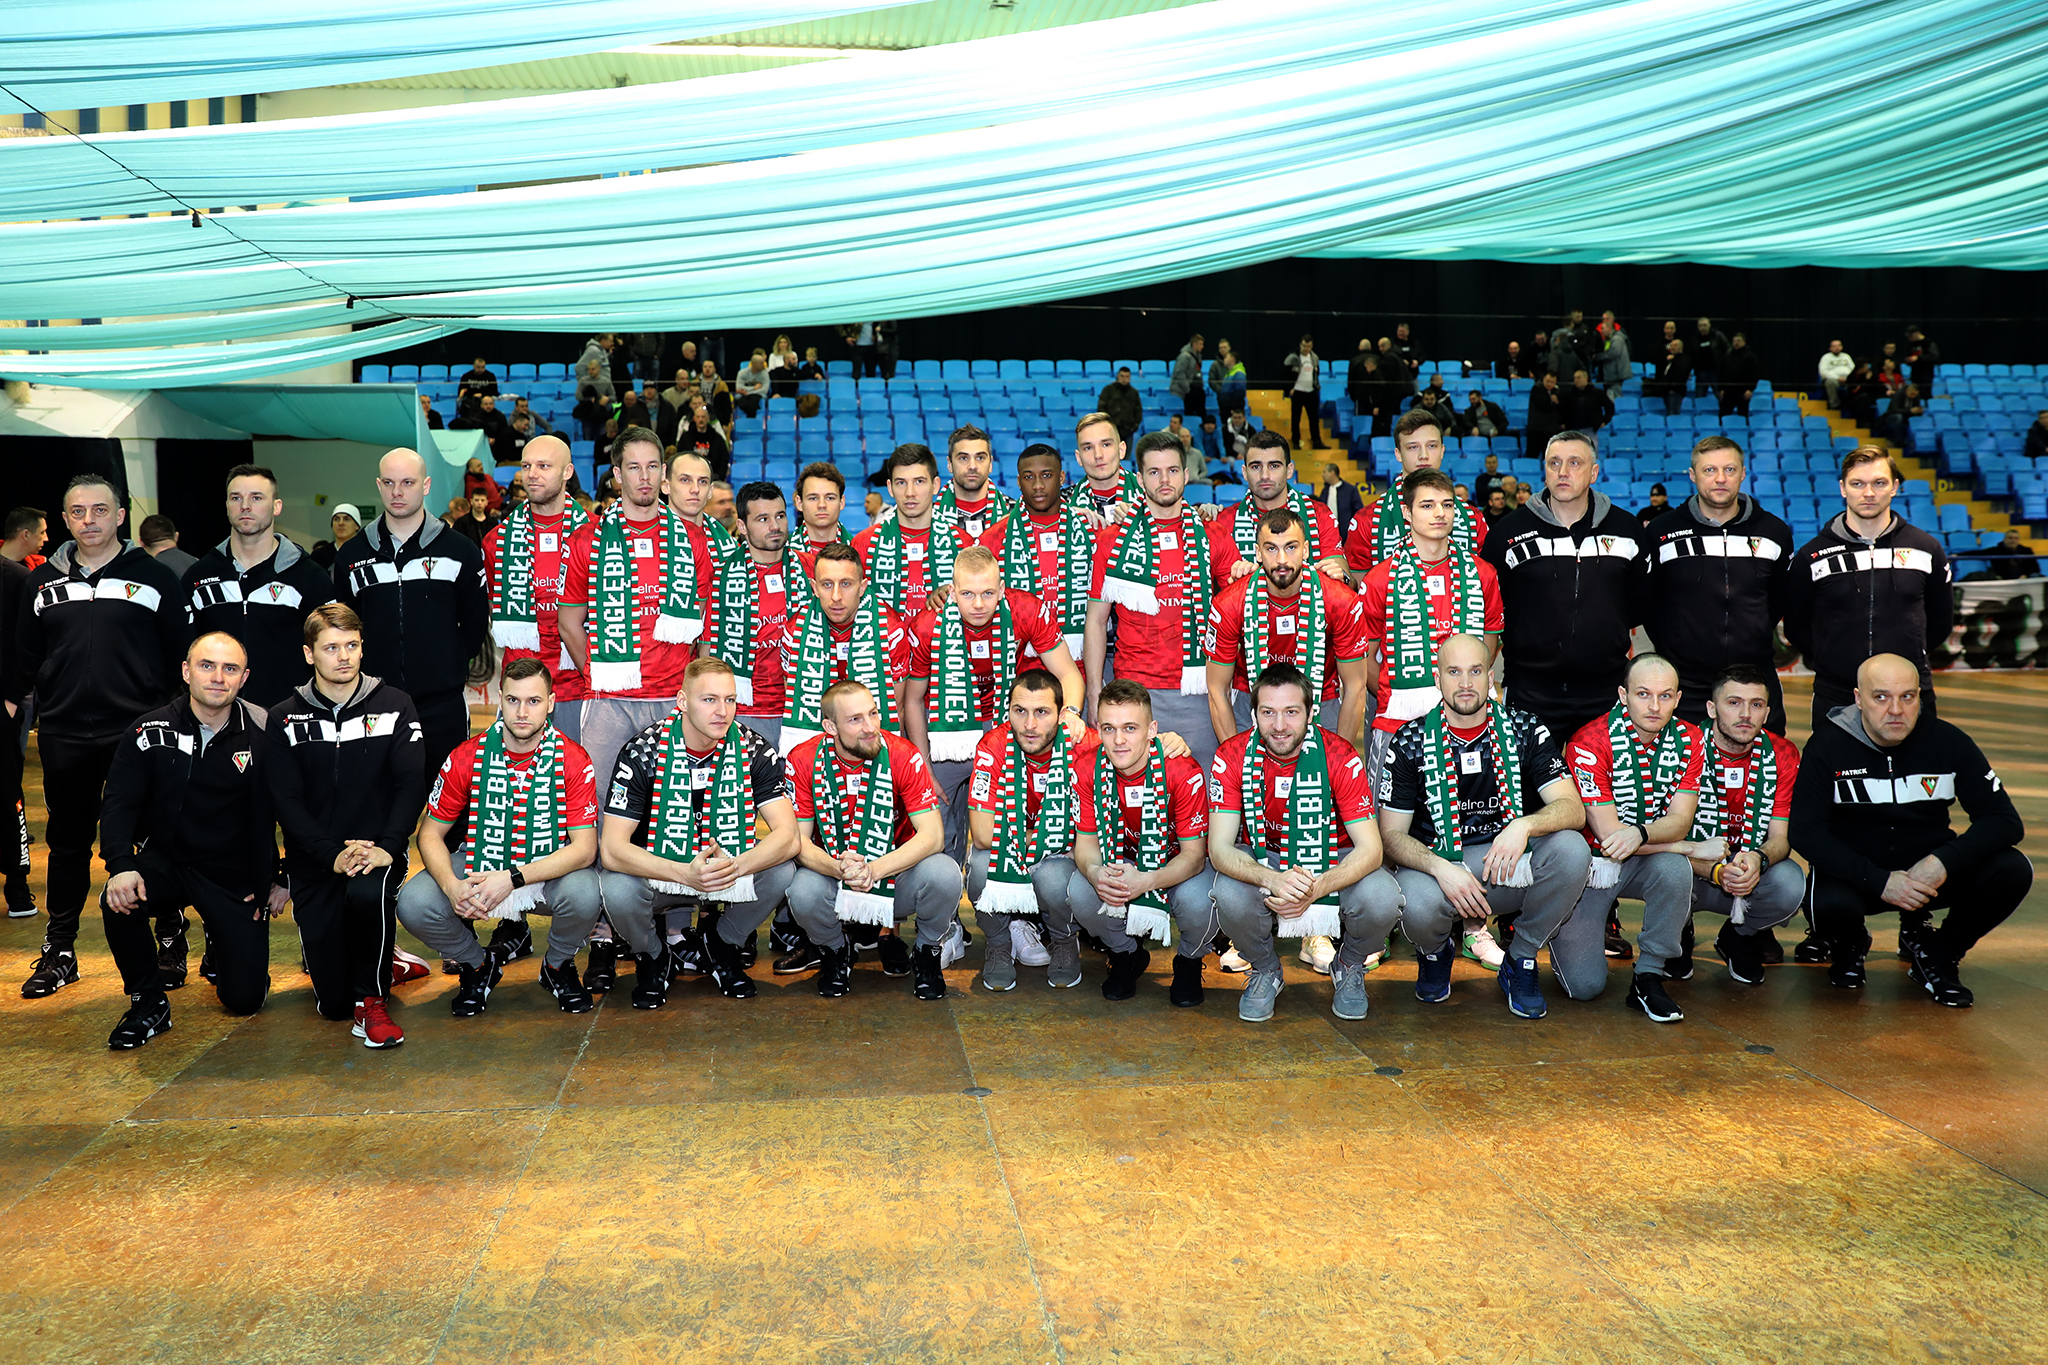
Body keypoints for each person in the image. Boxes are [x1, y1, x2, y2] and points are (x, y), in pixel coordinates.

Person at [10, 475, 187, 998]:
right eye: (78, 511)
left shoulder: (155, 577)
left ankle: (169, 936)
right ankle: (60, 950)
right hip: (64, 734)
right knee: (67, 844)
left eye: (100, 510)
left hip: (137, 734)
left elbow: (179, 656)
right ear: (65, 519)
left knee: (151, 837)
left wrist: (162, 720)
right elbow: (26, 656)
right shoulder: (40, 583)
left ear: (120, 516)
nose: (89, 520)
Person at [1791, 654, 2029, 1007]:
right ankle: (1850, 943)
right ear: (1859, 699)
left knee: (2012, 868)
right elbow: (1805, 832)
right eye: (1881, 697)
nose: (1896, 710)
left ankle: (1939, 952)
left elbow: (2004, 820)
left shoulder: (1948, 741)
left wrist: (1942, 862)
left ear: (1920, 696)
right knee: (1821, 900)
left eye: (1907, 696)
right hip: (1860, 877)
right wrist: (1879, 880)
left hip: (1926, 877)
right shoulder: (1827, 745)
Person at [1377, 635, 1591, 1019]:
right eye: (1453, 672)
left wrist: (1525, 825)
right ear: (1437, 678)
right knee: (1412, 898)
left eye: (1475, 671)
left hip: (1509, 863)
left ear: (1490, 677)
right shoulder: (1410, 739)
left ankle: (1521, 958)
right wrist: (1440, 868)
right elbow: (1391, 835)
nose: (1465, 683)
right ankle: (1436, 952)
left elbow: (1573, 809)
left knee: (1573, 850)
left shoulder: (1525, 728)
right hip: (1442, 866)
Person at [97, 633, 284, 1048]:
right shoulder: (149, 730)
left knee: (244, 1000)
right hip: (169, 862)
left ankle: (223, 942)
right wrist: (121, 865)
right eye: (206, 665)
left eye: (230, 669)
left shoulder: (265, 732)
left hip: (234, 876)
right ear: (186, 671)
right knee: (118, 899)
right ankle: (148, 1002)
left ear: (244, 678)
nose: (218, 677)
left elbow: (295, 807)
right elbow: (119, 803)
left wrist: (281, 876)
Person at [397, 659, 603, 1016]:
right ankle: (477, 964)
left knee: (586, 892)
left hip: (544, 868)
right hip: (482, 860)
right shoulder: (467, 755)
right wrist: (451, 886)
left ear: (551, 703)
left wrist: (513, 878)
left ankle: (557, 965)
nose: (522, 712)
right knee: (414, 902)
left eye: (533, 701)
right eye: (513, 700)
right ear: (500, 699)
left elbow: (585, 850)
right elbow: (429, 834)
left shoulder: (573, 758)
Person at [595, 656, 800, 1009]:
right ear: (683, 701)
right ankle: (653, 955)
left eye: (730, 699)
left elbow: (789, 836)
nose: (722, 711)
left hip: (724, 870)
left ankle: (721, 944)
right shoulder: (643, 751)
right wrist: (683, 873)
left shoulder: (754, 748)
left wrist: (736, 866)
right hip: (663, 873)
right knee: (615, 887)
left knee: (782, 869)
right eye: (709, 700)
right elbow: (612, 849)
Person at [267, 604, 425, 1048]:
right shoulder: (283, 717)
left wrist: (389, 846)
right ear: (308, 654)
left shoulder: (395, 705)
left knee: (367, 894)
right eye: (331, 647)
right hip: (315, 860)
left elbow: (411, 784)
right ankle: (385, 964)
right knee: (334, 1004)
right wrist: (329, 854)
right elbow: (286, 801)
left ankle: (373, 1001)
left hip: (376, 850)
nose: (344, 656)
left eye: (352, 645)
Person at [1210, 663, 1402, 1022]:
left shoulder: (1340, 754)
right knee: (1227, 891)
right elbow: (1219, 848)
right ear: (1253, 714)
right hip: (1266, 856)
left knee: (1383, 896)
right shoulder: (1231, 754)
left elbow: (1371, 849)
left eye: (1291, 712)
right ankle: (1265, 969)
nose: (1279, 725)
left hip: (1333, 856)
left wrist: (1316, 888)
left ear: (1311, 713)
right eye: (1268, 712)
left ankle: (1349, 964)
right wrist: (1272, 879)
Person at [904, 547, 1084, 866]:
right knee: (937, 835)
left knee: (1010, 821)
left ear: (1001, 589)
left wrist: (1070, 713)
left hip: (1008, 724)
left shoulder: (1025, 609)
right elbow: (913, 700)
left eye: (987, 593)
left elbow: (1068, 673)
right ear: (952, 591)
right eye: (968, 594)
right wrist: (924, 766)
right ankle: (946, 895)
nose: (978, 604)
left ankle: (1010, 892)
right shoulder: (927, 624)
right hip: (945, 728)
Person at [786, 679, 961, 999]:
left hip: (894, 876)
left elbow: (933, 836)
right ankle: (835, 951)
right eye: (855, 719)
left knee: (945, 872)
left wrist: (874, 870)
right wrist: (838, 868)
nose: (870, 727)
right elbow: (798, 843)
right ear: (830, 727)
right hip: (836, 877)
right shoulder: (803, 759)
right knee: (801, 890)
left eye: (873, 714)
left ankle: (927, 952)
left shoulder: (903, 754)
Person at [1084, 432, 1243, 776]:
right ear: (1140, 479)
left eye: (1172, 470)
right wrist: (1095, 693)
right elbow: (1095, 621)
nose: (1164, 480)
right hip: (1135, 692)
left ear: (1186, 475)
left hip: (1200, 690)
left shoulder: (1213, 534)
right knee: (1137, 798)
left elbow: (1239, 609)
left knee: (1204, 792)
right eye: (1154, 472)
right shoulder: (1112, 541)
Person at [557, 428, 703, 795]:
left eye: (652, 466)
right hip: (609, 700)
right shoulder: (586, 540)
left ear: (664, 473)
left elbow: (699, 622)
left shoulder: (693, 539)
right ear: (618, 474)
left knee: (673, 807)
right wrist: (597, 671)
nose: (644, 476)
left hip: (673, 697)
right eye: (634, 467)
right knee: (604, 805)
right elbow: (569, 623)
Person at [1563, 656, 1706, 1023]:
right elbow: (1611, 839)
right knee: (1584, 987)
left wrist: (1644, 833)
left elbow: (1679, 821)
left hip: (1642, 857)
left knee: (1675, 870)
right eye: (1643, 694)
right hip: (1592, 870)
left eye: (1665, 696)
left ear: (1678, 699)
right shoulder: (1589, 741)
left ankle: (1649, 976)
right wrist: (1683, 846)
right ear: (1623, 695)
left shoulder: (1691, 739)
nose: (1654, 706)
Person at [332, 447, 488, 783]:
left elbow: (475, 622)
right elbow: (343, 626)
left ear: (426, 485)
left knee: (449, 803)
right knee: (377, 805)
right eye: (389, 483)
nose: (397, 492)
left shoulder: (460, 550)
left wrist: (450, 664)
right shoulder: (352, 555)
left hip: (442, 705)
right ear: (378, 485)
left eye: (407, 482)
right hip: (371, 702)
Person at [1482, 431, 1649, 744]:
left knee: (1607, 777)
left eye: (1574, 463)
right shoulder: (1508, 532)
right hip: (1530, 689)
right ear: (1544, 469)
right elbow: (1491, 605)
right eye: (1554, 463)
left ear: (1593, 473)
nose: (1562, 472)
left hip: (1605, 689)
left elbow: (1638, 603)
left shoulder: (1626, 530)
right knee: (1530, 777)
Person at [1785, 445, 1952, 730]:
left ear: (1894, 487)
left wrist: (1908, 658)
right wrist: (1832, 660)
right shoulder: (1812, 556)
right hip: (1836, 694)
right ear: (1843, 488)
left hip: (1910, 694)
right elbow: (1796, 625)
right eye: (1858, 484)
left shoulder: (1926, 549)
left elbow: (1940, 621)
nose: (1869, 493)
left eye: (1879, 483)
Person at [1069, 679, 1215, 1004]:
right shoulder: (1085, 767)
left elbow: (1194, 857)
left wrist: (1147, 880)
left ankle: (1189, 960)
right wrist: (1095, 872)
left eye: (1130, 728)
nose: (1119, 740)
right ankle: (1126, 954)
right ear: (1098, 729)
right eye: (1109, 729)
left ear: (1152, 730)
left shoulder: (1182, 770)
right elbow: (1086, 844)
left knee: (1203, 898)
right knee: (1080, 889)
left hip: (1175, 865)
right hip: (1122, 861)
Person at [1356, 469, 1505, 777]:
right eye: (1427, 505)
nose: (1440, 513)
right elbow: (1364, 658)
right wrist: (1394, 693)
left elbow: (1488, 645)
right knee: (1392, 808)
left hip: (1474, 720)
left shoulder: (1483, 573)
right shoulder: (1380, 579)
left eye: (1447, 505)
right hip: (1399, 720)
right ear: (1406, 512)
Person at [1642, 436, 1795, 732]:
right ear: (1692, 475)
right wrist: (1675, 645)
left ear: (1743, 473)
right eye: (1709, 470)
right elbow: (1649, 601)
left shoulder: (1774, 531)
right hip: (1685, 681)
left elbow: (1780, 598)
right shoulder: (1662, 531)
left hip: (1754, 678)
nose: (1720, 478)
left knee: (1769, 759)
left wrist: (1753, 633)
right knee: (1683, 762)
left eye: (1729, 469)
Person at [1206, 507, 1371, 765]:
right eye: (1271, 548)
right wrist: (1235, 762)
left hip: (1321, 696)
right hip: (1249, 696)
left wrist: (1338, 763)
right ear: (1257, 553)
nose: (1282, 559)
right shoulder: (1229, 602)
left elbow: (1355, 686)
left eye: (1291, 547)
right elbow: (1217, 688)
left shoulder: (1340, 600)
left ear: (1305, 550)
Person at [966, 670, 1094, 992]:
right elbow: (981, 833)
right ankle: (999, 943)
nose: (1030, 724)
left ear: (1062, 714)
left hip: (1054, 861)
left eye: (1042, 712)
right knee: (980, 865)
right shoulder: (992, 745)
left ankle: (1064, 940)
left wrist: (1167, 742)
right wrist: (1050, 838)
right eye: (1020, 711)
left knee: (1055, 878)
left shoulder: (1084, 744)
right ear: (1007, 711)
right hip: (1035, 850)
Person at [1678, 664, 1805, 984]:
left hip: (1746, 869)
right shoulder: (1681, 746)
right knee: (1663, 868)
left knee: (1790, 883)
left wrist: (1758, 859)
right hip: (1690, 864)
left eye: (1756, 704)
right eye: (1734, 702)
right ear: (1711, 708)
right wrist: (1714, 869)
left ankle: (1738, 936)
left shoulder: (1783, 754)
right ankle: (1676, 932)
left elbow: (1780, 838)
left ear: (1767, 713)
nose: (1746, 714)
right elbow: (1663, 836)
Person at [181, 464, 339, 711]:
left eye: (256, 498)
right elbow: (182, 648)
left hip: (288, 717)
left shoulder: (309, 576)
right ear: (227, 506)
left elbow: (331, 649)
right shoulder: (199, 576)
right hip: (217, 718)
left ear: (276, 506)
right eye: (236, 498)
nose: (245, 506)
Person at [485, 433, 589, 724]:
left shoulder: (598, 537)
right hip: (520, 689)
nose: (531, 474)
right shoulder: (496, 542)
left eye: (543, 466)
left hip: (579, 688)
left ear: (567, 472)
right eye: (526, 466)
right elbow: (493, 609)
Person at [775, 542, 911, 757]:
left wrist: (887, 763)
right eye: (827, 584)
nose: (836, 596)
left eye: (846, 584)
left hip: (873, 745)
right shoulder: (795, 632)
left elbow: (897, 708)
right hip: (817, 748)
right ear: (814, 588)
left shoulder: (891, 631)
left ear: (862, 587)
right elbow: (793, 700)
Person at [702, 481, 809, 752]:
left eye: (780, 516)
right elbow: (707, 650)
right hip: (744, 712)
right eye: (763, 519)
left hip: (803, 710)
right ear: (742, 526)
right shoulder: (722, 577)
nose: (775, 526)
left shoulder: (812, 570)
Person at [1345, 410, 1489, 578]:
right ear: (1398, 454)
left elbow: (1487, 581)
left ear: (1442, 450)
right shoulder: (1368, 520)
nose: (1423, 456)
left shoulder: (1473, 519)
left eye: (1432, 446)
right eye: (1413, 447)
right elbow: (1359, 587)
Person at [996, 443, 1095, 659]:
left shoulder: (1089, 531)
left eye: (1047, 475)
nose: (1038, 485)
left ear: (1061, 478)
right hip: (1019, 660)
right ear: (1018, 482)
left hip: (1079, 657)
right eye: (1029, 477)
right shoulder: (995, 537)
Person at [1213, 430, 1343, 576]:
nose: (1265, 475)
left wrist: (1341, 577)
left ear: (1289, 470)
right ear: (1244, 472)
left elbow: (1345, 580)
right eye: (1256, 466)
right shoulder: (1223, 520)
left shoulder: (1319, 514)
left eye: (1274, 466)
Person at [852, 444, 950, 619]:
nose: (910, 493)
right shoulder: (863, 544)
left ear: (935, 485)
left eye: (919, 481)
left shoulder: (961, 543)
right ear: (890, 488)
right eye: (901, 483)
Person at [930, 425, 1011, 563]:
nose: (972, 466)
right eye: (963, 458)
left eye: (980, 458)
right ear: (949, 464)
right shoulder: (931, 517)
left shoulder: (1014, 513)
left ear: (991, 464)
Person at [1067, 412, 1143, 519]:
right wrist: (1069, 517)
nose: (1098, 455)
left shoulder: (1149, 493)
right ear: (1079, 458)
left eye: (1106, 445)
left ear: (1121, 450)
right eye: (1088, 448)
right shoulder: (1065, 504)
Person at [794, 462, 849, 557]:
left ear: (842, 502)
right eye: (813, 498)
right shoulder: (782, 553)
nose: (822, 505)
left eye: (830, 498)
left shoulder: (860, 550)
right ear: (799, 503)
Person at [1282, 334, 1325, 449]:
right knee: (1296, 418)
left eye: (1308, 346)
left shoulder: (1314, 358)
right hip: (1298, 391)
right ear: (1300, 345)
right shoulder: (1292, 358)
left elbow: (1316, 373)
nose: (1306, 349)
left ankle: (1316, 441)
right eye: (1304, 346)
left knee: (1314, 418)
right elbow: (1284, 375)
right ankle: (1296, 441)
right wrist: (1289, 389)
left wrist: (1316, 386)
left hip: (1311, 391)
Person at [675, 404, 731, 482]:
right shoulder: (686, 437)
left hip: (713, 479)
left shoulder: (717, 438)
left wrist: (719, 476)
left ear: (708, 418)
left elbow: (723, 460)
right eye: (698, 417)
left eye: (703, 417)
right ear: (694, 418)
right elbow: (679, 457)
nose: (701, 419)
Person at [1317, 462, 1365, 542]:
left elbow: (1358, 511)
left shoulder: (1350, 490)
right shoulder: (1325, 491)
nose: (1323, 475)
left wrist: (1352, 527)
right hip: (1328, 533)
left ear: (1332, 473)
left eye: (1325, 472)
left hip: (1346, 534)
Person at [1717, 332, 1763, 418]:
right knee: (1724, 415)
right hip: (1728, 392)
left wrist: (1750, 389)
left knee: (1743, 415)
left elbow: (1755, 374)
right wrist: (1721, 388)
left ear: (1744, 342)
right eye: (1734, 341)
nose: (1736, 343)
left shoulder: (1750, 357)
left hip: (1743, 392)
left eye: (1738, 341)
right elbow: (1721, 373)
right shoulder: (1727, 356)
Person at [1096, 367, 1145, 445]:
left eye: (1127, 376)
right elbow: (1101, 408)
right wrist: (1107, 424)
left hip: (1128, 431)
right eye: (1122, 376)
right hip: (1111, 430)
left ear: (1130, 377)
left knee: (1127, 452)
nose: (1124, 379)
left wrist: (1135, 426)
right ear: (1117, 376)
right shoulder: (1108, 390)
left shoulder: (1133, 393)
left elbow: (1138, 410)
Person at [1643, 339, 1691, 417]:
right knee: (1669, 412)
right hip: (1667, 391)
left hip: (1675, 392)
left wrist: (1673, 389)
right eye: (1671, 345)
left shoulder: (1683, 360)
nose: (1672, 347)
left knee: (1673, 414)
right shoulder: (1671, 359)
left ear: (1681, 347)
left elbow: (1680, 376)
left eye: (1675, 345)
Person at [1524, 371, 1564, 460]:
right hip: (1536, 428)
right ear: (1543, 380)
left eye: (1552, 382)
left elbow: (1562, 409)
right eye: (1547, 381)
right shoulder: (1537, 389)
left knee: (1549, 456)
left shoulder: (1557, 392)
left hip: (1551, 429)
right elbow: (1542, 405)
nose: (1549, 384)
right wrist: (1552, 400)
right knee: (1532, 454)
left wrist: (1557, 402)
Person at [1169, 334, 1206, 419]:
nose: (1202, 347)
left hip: (1195, 386)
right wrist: (1187, 389)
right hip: (1186, 389)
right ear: (1194, 344)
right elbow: (1179, 373)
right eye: (1200, 344)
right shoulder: (1184, 356)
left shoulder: (1198, 356)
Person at [1208, 339, 1247, 419]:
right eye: (1220, 348)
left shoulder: (1238, 372)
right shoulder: (1228, 371)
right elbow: (1212, 381)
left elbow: (1239, 392)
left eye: (1224, 347)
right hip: (1225, 404)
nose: (1222, 350)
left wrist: (1234, 407)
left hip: (1232, 407)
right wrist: (1222, 392)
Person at [1818, 340, 1855, 407]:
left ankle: (1852, 404)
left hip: (1847, 379)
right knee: (1830, 382)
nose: (1837, 348)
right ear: (1830, 348)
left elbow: (1853, 369)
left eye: (1838, 346)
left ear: (1841, 347)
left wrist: (1848, 378)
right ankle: (1835, 404)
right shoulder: (1826, 357)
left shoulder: (1846, 356)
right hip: (1833, 379)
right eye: (1834, 346)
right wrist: (1838, 378)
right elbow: (1823, 372)